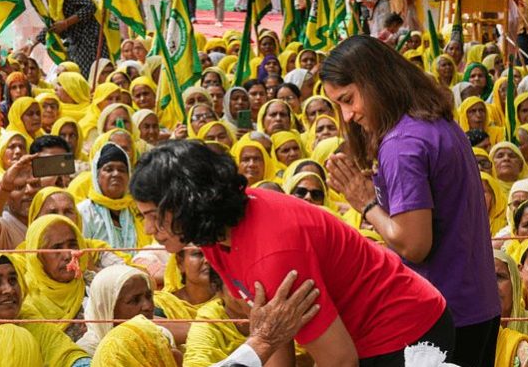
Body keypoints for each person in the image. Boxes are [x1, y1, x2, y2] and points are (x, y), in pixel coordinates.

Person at [131, 140, 454, 366]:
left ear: (184, 204)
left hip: (404, 332)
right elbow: (276, 332)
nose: (147, 229)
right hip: (361, 336)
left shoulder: (273, 254)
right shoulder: (216, 231)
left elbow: (339, 361)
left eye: (150, 215)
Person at [321, 36, 499, 366]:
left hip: (441, 314)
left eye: (348, 99)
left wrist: (365, 203)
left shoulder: (401, 143)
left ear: (374, 82)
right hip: (477, 304)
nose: (346, 116)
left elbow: (414, 244)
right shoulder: (433, 122)